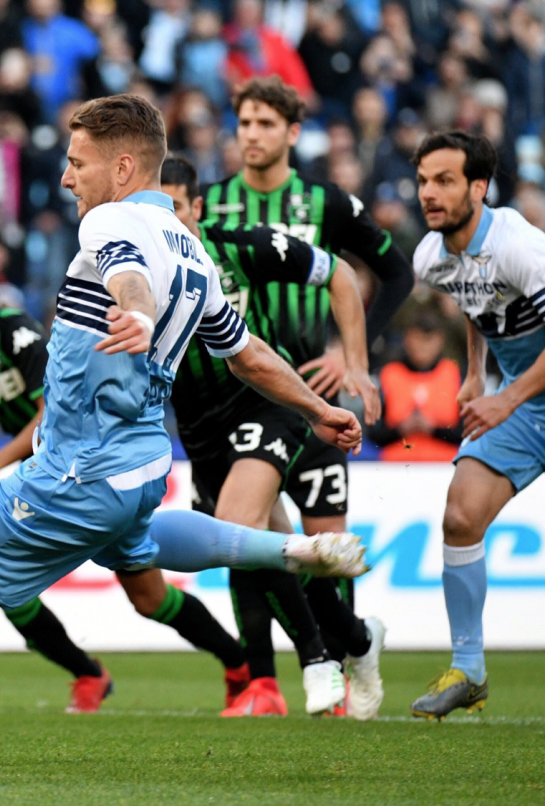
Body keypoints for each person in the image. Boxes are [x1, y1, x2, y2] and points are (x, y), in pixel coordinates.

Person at [0, 94, 367, 772]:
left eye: (77, 164)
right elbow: (246, 353)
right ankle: (291, 550)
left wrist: (134, 311)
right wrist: (314, 409)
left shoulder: (109, 221)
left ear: (122, 167)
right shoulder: (192, 249)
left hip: (79, 469)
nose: (67, 179)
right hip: (140, 466)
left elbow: (126, 272)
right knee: (144, 540)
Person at [0, 250, 250, 713]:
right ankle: (88, 674)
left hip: (96, 465)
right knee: (3, 584)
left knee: (149, 598)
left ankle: (239, 664)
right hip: (44, 475)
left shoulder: (15, 335)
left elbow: (46, 411)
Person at [200, 77, 413, 712]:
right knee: (246, 535)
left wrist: (351, 355)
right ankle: (273, 675)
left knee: (322, 547)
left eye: (267, 124)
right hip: (240, 399)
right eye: (244, 123)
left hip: (310, 397)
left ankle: (348, 652)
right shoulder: (208, 208)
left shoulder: (326, 203)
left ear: (293, 133)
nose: (253, 135)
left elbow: (394, 272)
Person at [161, 154, 386, 719]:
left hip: (266, 401)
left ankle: (314, 660)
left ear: (198, 207)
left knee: (237, 528)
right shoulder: (129, 272)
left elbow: (339, 273)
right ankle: (358, 640)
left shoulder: (239, 246)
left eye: (173, 209)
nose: (163, 222)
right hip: (201, 431)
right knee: (274, 551)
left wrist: (353, 361)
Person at [409, 131, 545, 719]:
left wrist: (505, 396)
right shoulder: (430, 257)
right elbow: (476, 304)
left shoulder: (520, 246)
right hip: (522, 403)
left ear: (478, 188)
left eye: (444, 181)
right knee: (460, 516)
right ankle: (469, 669)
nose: (429, 194)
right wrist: (474, 374)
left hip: (520, 397)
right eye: (422, 181)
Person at [371, 313, 463, 462]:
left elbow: (466, 432)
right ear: (407, 339)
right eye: (418, 339)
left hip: (444, 466)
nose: (423, 347)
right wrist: (402, 429)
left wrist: (433, 428)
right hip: (395, 466)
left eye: (428, 340)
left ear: (440, 341)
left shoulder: (453, 374)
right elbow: (373, 433)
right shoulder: (389, 374)